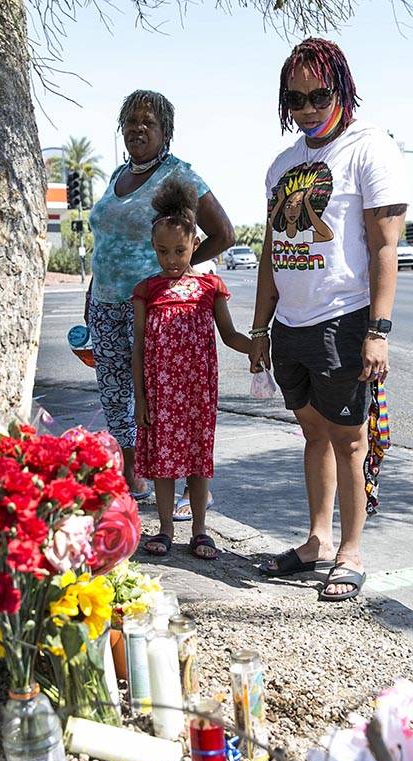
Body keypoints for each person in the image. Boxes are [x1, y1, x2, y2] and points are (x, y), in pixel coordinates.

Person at [249, 38, 407, 600]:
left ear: (342, 87)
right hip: (290, 326)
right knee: (312, 433)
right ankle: (316, 541)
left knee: (350, 440)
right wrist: (261, 329)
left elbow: (385, 246)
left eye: (320, 94)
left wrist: (378, 332)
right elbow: (271, 252)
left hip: (343, 319)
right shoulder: (282, 165)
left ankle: (350, 551)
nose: (309, 107)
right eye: (296, 98)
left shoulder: (371, 149)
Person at [87, 90, 234, 501]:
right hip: (105, 304)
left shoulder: (178, 175)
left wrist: (176, 276)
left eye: (148, 122)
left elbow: (224, 233)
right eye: (130, 121)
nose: (137, 128)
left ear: (165, 131)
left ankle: (187, 490)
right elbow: (106, 241)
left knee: (163, 399)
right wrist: (90, 291)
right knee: (116, 393)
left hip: (155, 309)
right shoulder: (117, 175)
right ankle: (135, 481)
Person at [132, 179, 251, 559]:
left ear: (195, 247)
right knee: (164, 463)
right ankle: (165, 529)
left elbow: (230, 334)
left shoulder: (209, 287)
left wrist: (258, 348)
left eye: (179, 251)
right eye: (162, 251)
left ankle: (200, 531)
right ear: (153, 249)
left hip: (198, 392)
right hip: (160, 395)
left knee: (198, 461)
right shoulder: (146, 290)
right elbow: (138, 347)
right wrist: (140, 398)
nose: (170, 259)